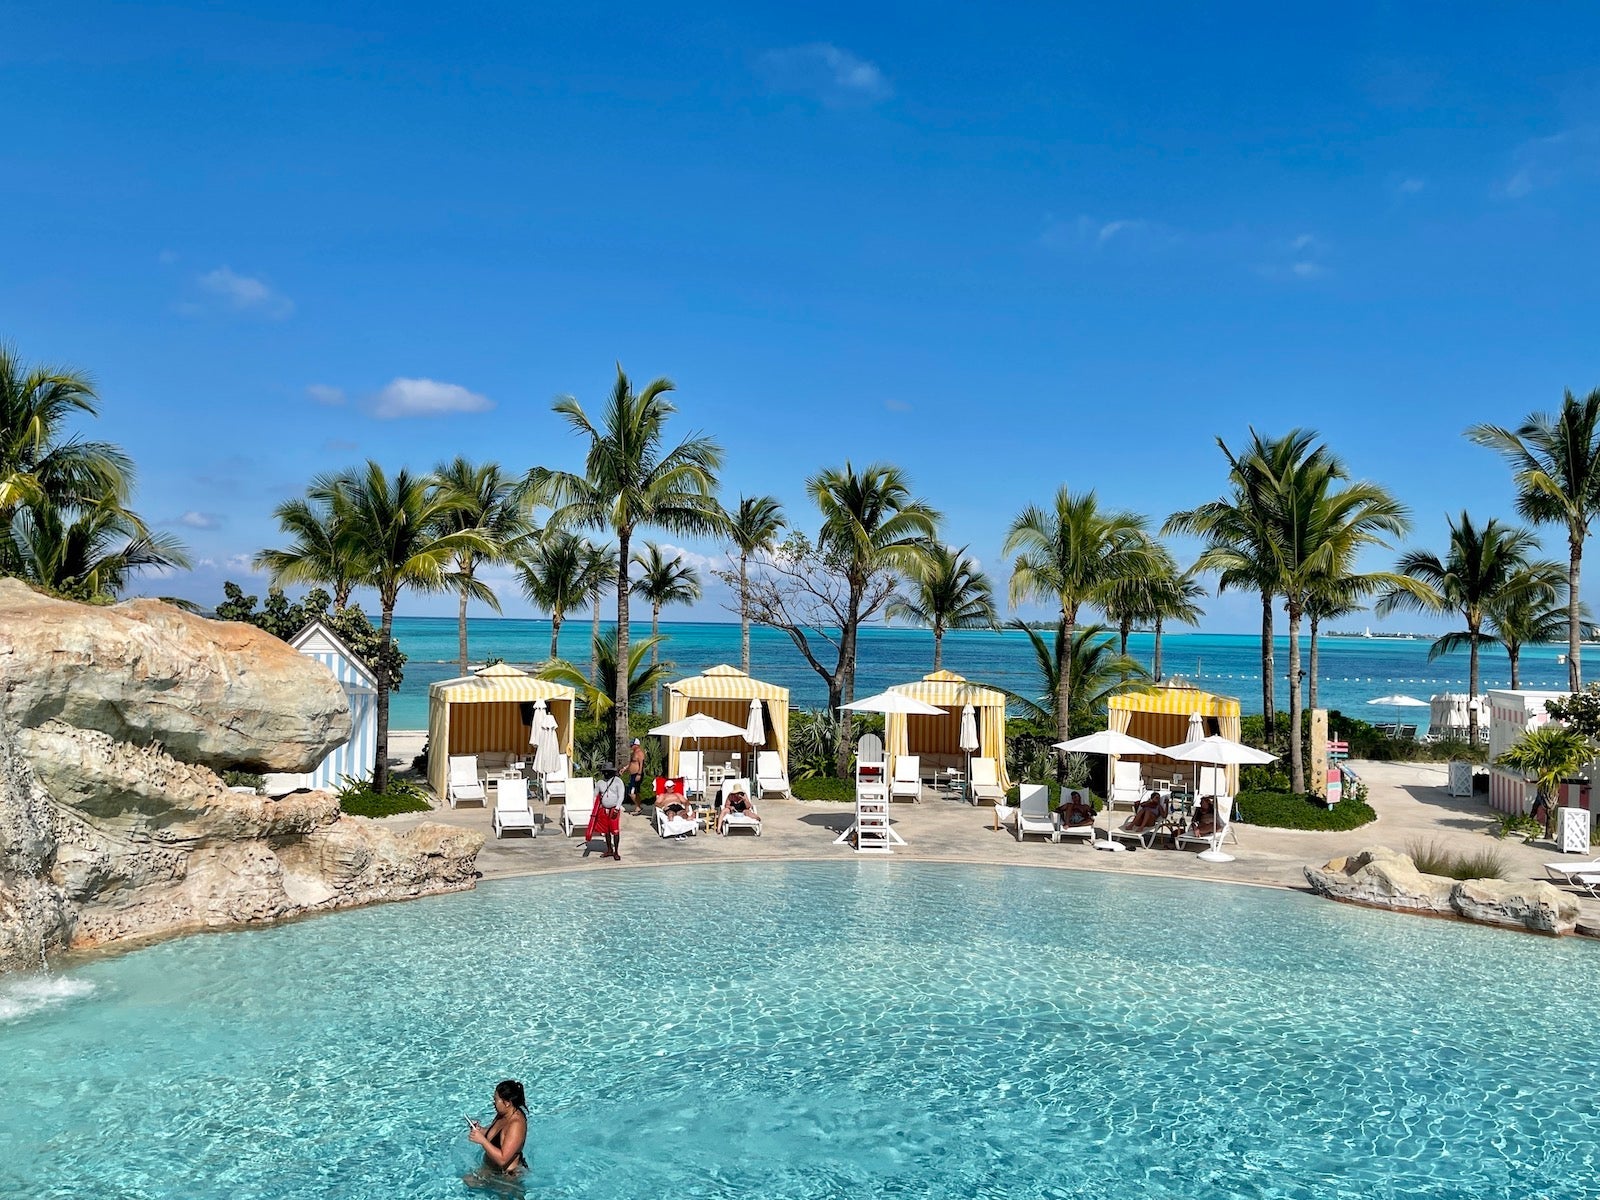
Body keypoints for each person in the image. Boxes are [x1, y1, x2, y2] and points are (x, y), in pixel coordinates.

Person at [465, 1079, 528, 1184]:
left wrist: (482, 1141)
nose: (493, 1103)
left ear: (507, 1103)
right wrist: (480, 1130)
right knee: (467, 1181)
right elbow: (495, 1136)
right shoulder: (503, 1114)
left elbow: (503, 1159)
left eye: (496, 1099)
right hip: (492, 1170)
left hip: (508, 1178)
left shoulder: (516, 1124)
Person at [588, 763, 626, 860]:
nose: (606, 774)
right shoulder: (600, 782)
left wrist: (617, 808)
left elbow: (621, 796)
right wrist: (595, 809)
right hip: (604, 809)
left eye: (608, 772)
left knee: (615, 830)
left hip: (614, 808)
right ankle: (609, 850)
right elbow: (595, 795)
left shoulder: (618, 782)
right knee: (606, 830)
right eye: (604, 772)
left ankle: (616, 852)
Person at [624, 738, 647, 814]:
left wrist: (639, 774)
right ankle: (638, 806)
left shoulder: (640, 753)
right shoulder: (633, 753)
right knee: (635, 792)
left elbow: (641, 764)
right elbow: (631, 763)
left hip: (637, 774)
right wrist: (625, 768)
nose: (631, 746)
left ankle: (638, 807)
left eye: (632, 745)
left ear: (636, 745)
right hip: (633, 775)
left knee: (631, 792)